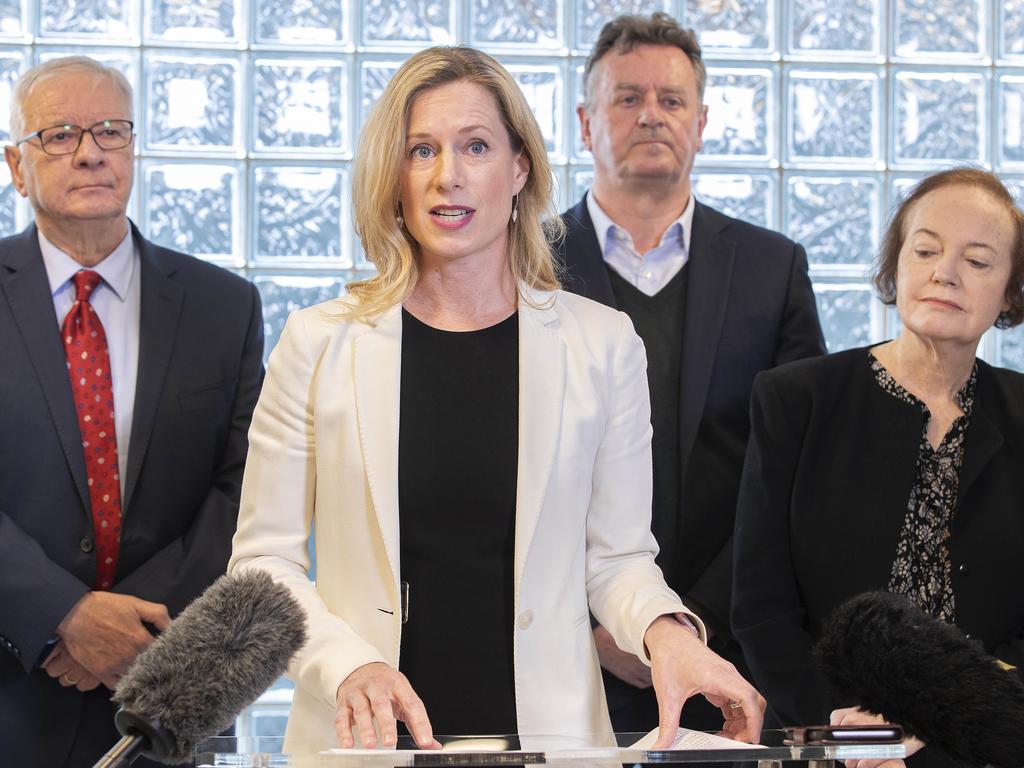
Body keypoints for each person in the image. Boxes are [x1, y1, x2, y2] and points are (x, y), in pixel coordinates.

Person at [228, 45, 765, 754]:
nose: (447, 176)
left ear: (519, 169)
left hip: (552, 738)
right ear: (393, 175)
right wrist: (347, 663)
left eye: (475, 146)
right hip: (363, 739)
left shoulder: (602, 345)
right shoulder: (318, 342)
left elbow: (618, 560)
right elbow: (264, 564)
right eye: (421, 149)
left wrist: (669, 635)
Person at [555, 12, 825, 731]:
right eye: (627, 98)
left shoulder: (773, 270)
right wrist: (606, 620)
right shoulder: (522, 269)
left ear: (701, 122)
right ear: (585, 124)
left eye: (671, 101)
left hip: (731, 653)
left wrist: (684, 622)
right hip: (561, 655)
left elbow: (799, 473)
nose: (651, 116)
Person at [0, 56, 264, 767]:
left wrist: (135, 625)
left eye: (110, 131)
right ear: (16, 166)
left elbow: (247, 488)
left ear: (133, 149)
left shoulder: (224, 307)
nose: (89, 152)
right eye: (58, 135)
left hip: (169, 696)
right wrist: (63, 615)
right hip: (12, 688)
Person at [732, 167, 1024, 767]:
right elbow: (762, 612)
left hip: (988, 748)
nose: (945, 272)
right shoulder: (798, 399)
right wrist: (860, 735)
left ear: (1011, 293)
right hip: (832, 743)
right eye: (925, 250)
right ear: (896, 266)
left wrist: (957, 722)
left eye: (978, 260)